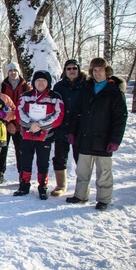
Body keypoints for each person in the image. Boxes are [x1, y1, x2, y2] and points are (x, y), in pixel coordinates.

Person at [66, 58, 127, 211]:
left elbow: (120, 118)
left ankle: (103, 199)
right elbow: (77, 113)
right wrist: (72, 132)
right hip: (85, 137)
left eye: (100, 70)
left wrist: (115, 140)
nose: (98, 73)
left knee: (104, 172)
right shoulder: (87, 88)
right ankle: (80, 195)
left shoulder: (114, 91)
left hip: (104, 139)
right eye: (95, 70)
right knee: (82, 170)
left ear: (107, 71)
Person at [14, 70, 64, 200]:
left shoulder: (55, 97)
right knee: (25, 160)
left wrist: (41, 125)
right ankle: (24, 185)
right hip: (27, 134)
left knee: (43, 162)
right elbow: (19, 111)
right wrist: (30, 124)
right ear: (34, 82)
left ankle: (42, 187)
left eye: (43, 80)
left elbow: (58, 116)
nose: (40, 83)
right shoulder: (26, 96)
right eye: (38, 80)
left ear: (48, 82)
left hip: (44, 135)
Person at [50, 59, 85, 196]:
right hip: (61, 127)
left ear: (79, 70)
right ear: (64, 71)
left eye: (74, 68)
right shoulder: (59, 87)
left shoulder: (85, 85)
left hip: (79, 128)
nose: (72, 71)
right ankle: (61, 185)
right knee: (59, 157)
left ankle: (81, 186)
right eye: (69, 68)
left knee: (80, 159)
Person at [0, 62, 31, 184]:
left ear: (19, 72)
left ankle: (22, 176)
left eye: (15, 70)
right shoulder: (2, 86)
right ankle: (0, 174)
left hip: (21, 125)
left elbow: (28, 107)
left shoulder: (26, 87)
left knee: (21, 151)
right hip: (5, 123)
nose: (13, 73)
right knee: (2, 150)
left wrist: (16, 123)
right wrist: (8, 123)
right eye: (10, 70)